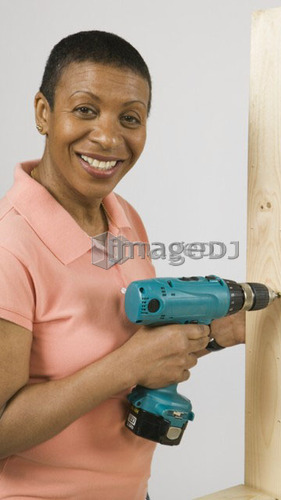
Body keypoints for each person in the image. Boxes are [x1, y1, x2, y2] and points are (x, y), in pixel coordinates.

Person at [0, 31, 245, 500]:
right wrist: (128, 364)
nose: (109, 137)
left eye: (129, 118)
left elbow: (129, 346)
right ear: (44, 113)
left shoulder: (123, 217)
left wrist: (217, 334)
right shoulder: (10, 247)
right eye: (85, 109)